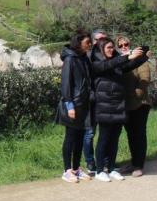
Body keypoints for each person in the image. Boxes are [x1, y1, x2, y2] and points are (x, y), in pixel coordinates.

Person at [90, 37, 147, 182]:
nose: (111, 50)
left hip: (117, 106)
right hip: (104, 107)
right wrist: (127, 56)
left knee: (114, 139)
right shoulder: (96, 63)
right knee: (104, 139)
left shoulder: (115, 63)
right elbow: (109, 65)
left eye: (112, 47)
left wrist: (143, 56)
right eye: (108, 48)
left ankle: (111, 168)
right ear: (102, 49)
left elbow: (127, 66)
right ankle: (99, 170)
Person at [57, 31, 93, 183]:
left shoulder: (84, 58)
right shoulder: (70, 59)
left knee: (79, 138)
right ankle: (67, 170)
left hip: (84, 104)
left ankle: (77, 169)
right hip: (72, 104)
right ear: (79, 44)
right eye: (87, 42)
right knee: (70, 138)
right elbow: (66, 84)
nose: (90, 45)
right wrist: (69, 105)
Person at [117, 36, 152, 176]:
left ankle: (139, 165)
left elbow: (145, 80)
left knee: (139, 134)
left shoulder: (139, 59)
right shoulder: (120, 61)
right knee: (131, 134)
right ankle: (134, 162)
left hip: (140, 103)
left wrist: (136, 95)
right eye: (121, 45)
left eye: (126, 44)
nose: (124, 46)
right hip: (126, 104)